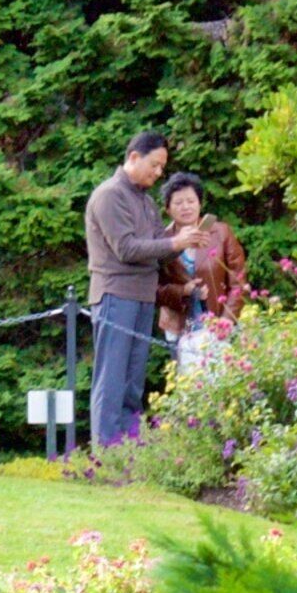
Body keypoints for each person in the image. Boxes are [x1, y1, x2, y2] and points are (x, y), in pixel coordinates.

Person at [81, 130, 186, 446]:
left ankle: (128, 450)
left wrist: (186, 240)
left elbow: (159, 248)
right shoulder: (109, 195)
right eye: (154, 165)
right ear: (134, 157)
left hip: (142, 297)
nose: (157, 174)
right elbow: (125, 249)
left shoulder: (146, 202)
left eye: (161, 169)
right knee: (111, 378)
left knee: (132, 382)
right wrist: (174, 240)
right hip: (115, 295)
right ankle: (105, 454)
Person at [153, 172, 247, 344]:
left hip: (219, 323)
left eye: (191, 201)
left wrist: (228, 318)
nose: (185, 207)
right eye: (178, 203)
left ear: (200, 203)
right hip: (179, 327)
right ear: (167, 208)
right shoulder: (161, 241)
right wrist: (183, 291)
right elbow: (153, 289)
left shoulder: (221, 232)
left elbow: (238, 280)